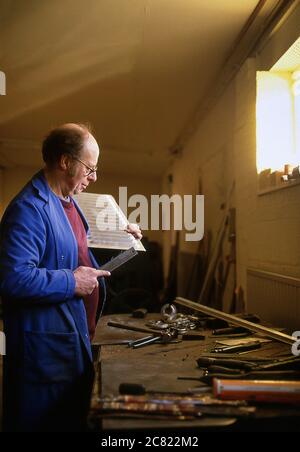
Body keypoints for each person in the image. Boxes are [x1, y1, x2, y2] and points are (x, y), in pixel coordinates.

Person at [0, 123, 142, 432]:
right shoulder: (28, 210)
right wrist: (72, 282)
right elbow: (12, 279)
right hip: (43, 356)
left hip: (72, 340)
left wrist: (122, 239)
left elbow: (73, 255)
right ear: (65, 162)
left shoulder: (69, 203)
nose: (94, 177)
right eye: (89, 168)